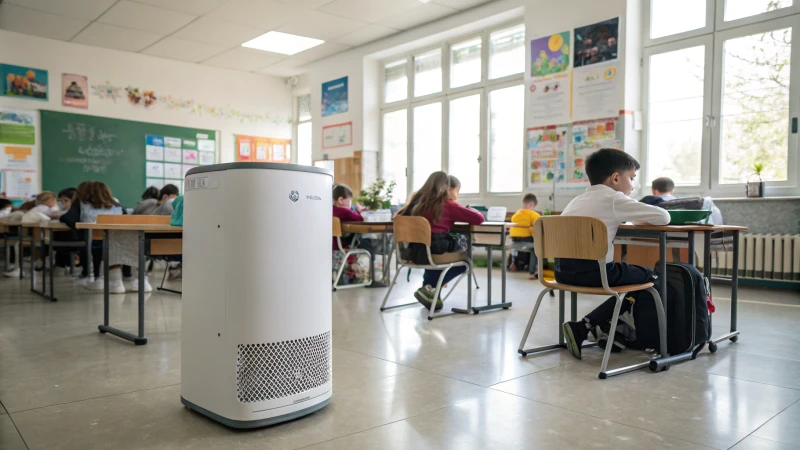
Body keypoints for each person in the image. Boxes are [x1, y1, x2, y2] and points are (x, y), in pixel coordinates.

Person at [557, 149, 670, 360]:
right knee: (652, 276)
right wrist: (638, 217)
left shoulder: (576, 201)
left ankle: (611, 329)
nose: (633, 185)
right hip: (598, 275)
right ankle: (591, 326)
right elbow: (663, 216)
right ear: (616, 178)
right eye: (632, 178)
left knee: (631, 277)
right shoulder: (614, 199)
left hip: (562, 273)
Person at [397, 171, 484, 311]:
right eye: (457, 191)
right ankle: (430, 289)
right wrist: (474, 210)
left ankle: (430, 293)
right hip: (434, 249)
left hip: (412, 252)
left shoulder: (415, 203)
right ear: (447, 188)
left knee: (438, 251)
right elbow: (479, 219)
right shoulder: (447, 205)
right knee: (465, 261)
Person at [60, 181, 126, 292]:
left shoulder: (81, 203)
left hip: (93, 241)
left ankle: (98, 279)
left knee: (94, 244)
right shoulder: (115, 203)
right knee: (109, 245)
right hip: (116, 240)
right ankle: (116, 283)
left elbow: (69, 218)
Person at [509, 193, 541, 280]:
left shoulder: (516, 214)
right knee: (536, 249)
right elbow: (538, 228)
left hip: (514, 240)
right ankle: (532, 272)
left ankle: (514, 263)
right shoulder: (533, 214)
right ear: (531, 205)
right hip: (526, 239)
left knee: (523, 247)